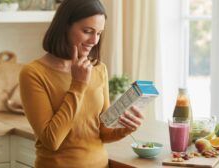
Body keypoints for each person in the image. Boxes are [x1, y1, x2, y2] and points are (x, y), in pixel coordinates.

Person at [19, 0, 144, 167]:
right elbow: (52, 140)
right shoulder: (33, 73)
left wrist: (126, 129)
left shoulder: (99, 69)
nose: (94, 40)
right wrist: (78, 85)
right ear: (65, 27)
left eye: (99, 33)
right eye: (87, 31)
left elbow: (102, 132)